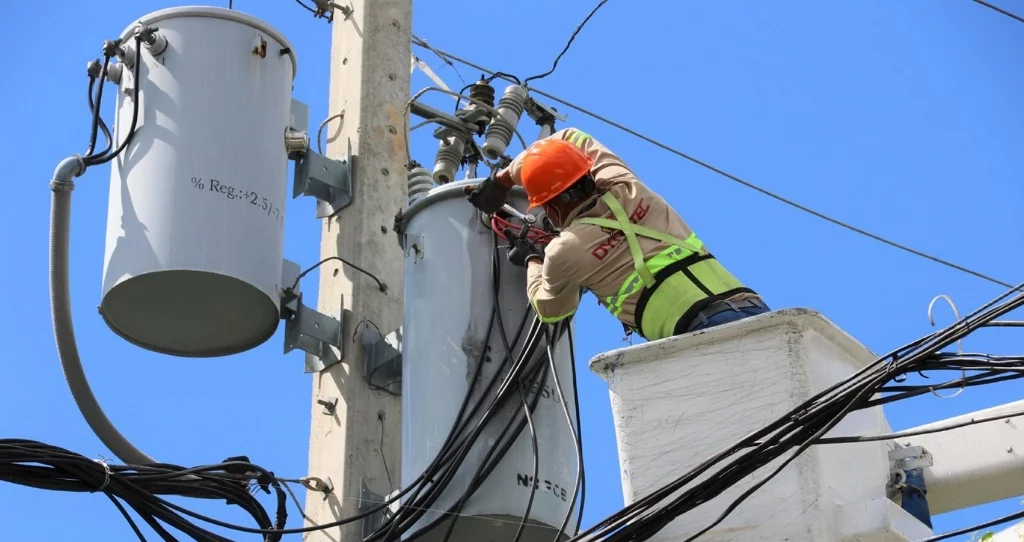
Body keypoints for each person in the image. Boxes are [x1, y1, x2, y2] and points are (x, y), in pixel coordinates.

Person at [467, 127, 771, 342]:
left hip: (696, 333)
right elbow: (570, 136)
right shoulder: (627, 187)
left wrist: (533, 258)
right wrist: (504, 179)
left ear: (551, 206)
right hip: (751, 307)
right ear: (587, 173)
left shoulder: (565, 251)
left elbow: (551, 309)